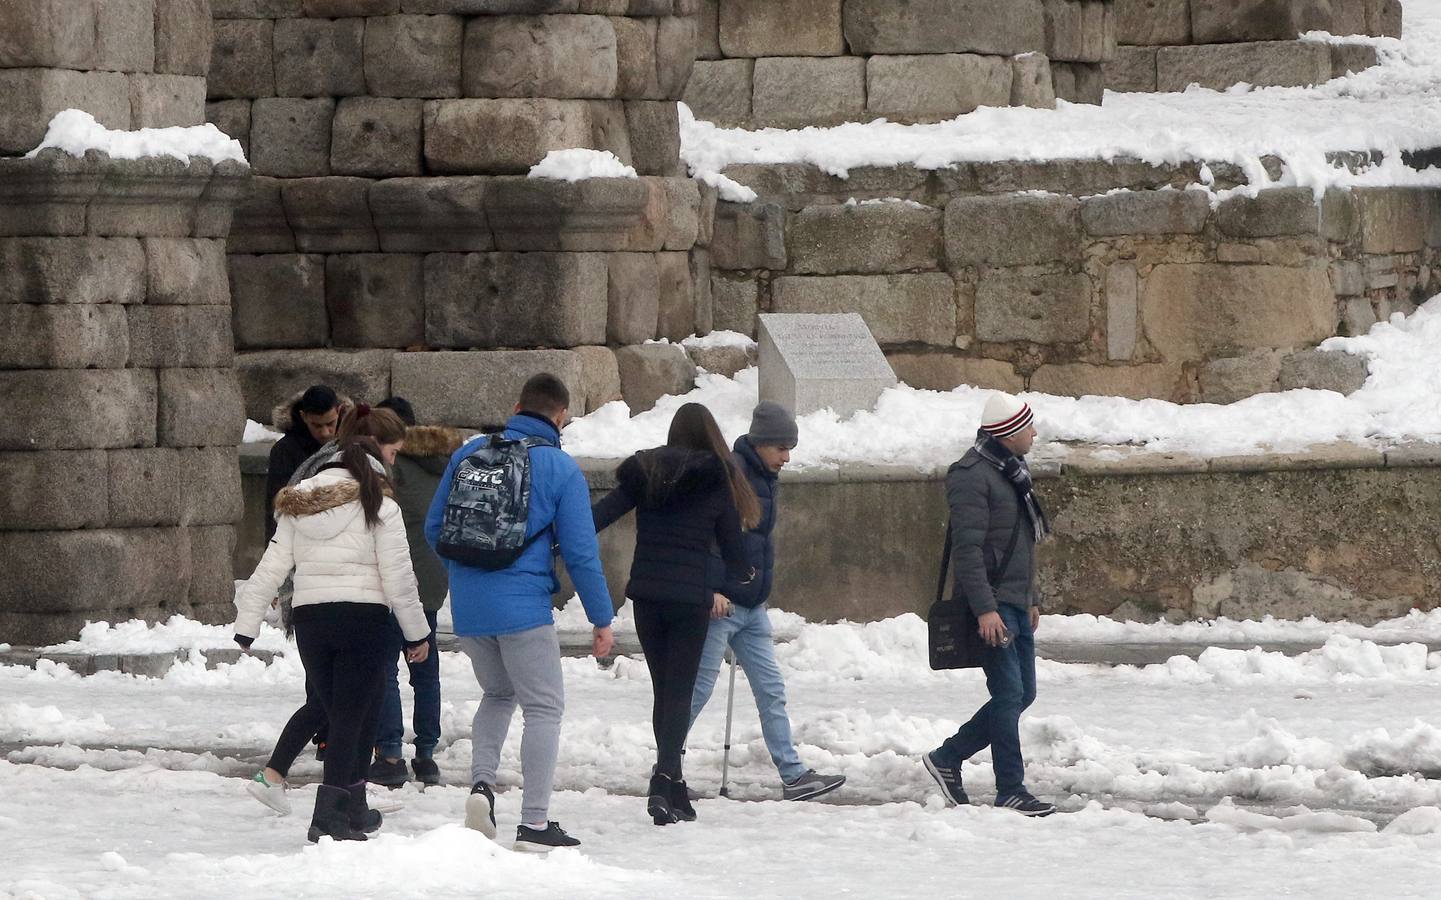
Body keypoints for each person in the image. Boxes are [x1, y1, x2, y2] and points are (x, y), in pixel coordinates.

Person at [425, 373, 615, 852]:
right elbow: (580, 552)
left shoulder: (468, 454)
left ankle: (482, 788)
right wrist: (601, 617)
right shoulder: (560, 467)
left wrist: (471, 573)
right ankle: (533, 824)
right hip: (524, 609)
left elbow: (434, 528)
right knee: (544, 708)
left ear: (516, 405)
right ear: (560, 416)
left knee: (497, 693)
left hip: (468, 609)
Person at [234, 405, 433, 842]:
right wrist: (417, 633)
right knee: (350, 719)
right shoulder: (379, 503)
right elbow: (399, 578)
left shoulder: (299, 502)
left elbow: (270, 566)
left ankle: (354, 809)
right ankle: (328, 817)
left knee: (349, 718)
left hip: (311, 621)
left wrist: (247, 623)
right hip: (363, 620)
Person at [593, 402, 759, 826]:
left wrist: (559, 537)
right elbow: (734, 551)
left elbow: (602, 514)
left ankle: (676, 791)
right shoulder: (716, 478)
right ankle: (662, 779)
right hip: (689, 600)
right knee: (679, 691)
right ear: (710, 436)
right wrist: (740, 573)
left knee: (664, 689)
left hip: (647, 595)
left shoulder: (646, 473)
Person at [688, 402, 846, 802]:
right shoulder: (730, 476)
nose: (787, 457)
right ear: (759, 444)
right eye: (780, 448)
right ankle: (665, 764)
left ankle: (792, 775)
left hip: (753, 608)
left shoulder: (765, 477)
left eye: (790, 448)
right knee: (697, 691)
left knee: (771, 689)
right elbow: (706, 539)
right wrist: (712, 590)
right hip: (722, 607)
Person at [923, 392, 1055, 817]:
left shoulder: (1013, 470)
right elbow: (968, 551)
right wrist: (984, 610)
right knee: (1008, 692)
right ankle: (1010, 788)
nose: (1035, 433)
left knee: (1023, 693)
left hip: (1014, 602)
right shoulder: (970, 476)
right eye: (1029, 427)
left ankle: (948, 756)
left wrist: (1030, 598)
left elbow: (1022, 545)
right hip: (990, 605)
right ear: (1008, 432)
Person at [367, 396, 461, 788]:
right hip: (434, 581)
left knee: (386, 668)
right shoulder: (445, 464)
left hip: (394, 581)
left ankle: (389, 752)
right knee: (425, 671)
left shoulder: (391, 466)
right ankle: (426, 754)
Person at [265, 385, 344, 543]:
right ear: (303, 416)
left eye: (330, 423)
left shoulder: (352, 443)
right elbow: (276, 509)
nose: (325, 432)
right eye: (317, 425)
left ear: (339, 411)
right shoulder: (285, 450)